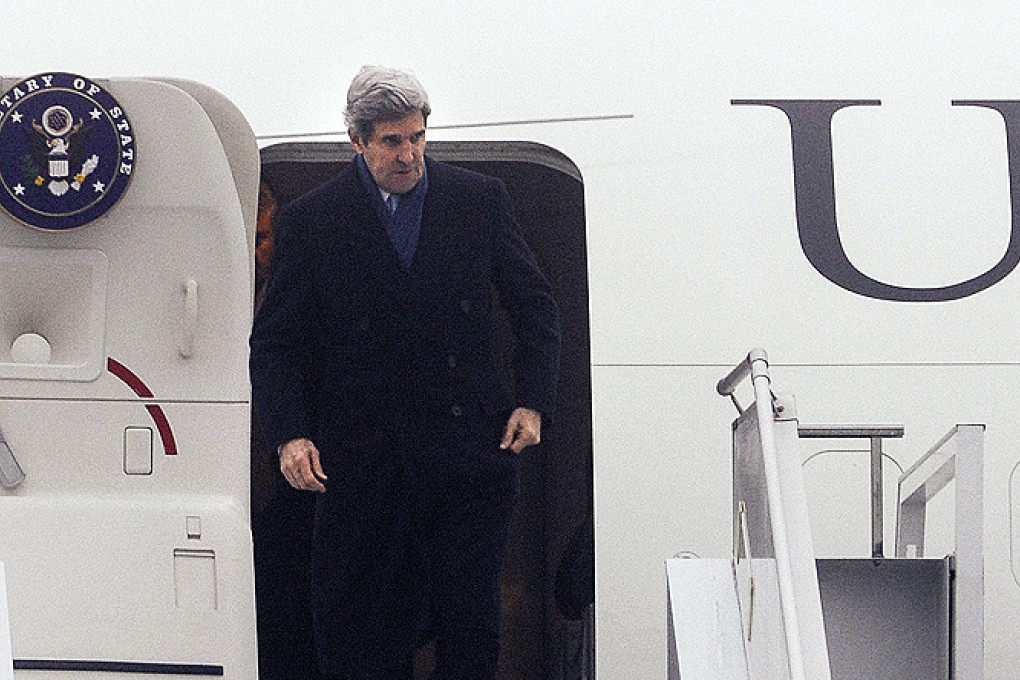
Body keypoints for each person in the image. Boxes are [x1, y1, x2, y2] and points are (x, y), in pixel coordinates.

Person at [249, 65, 561, 680]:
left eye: (417, 137)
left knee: (470, 624)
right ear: (357, 142)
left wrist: (534, 401)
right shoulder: (315, 220)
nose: (408, 154)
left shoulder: (478, 200)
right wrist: (288, 434)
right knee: (363, 632)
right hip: (362, 460)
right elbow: (276, 341)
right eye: (392, 141)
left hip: (466, 450)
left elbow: (535, 305)